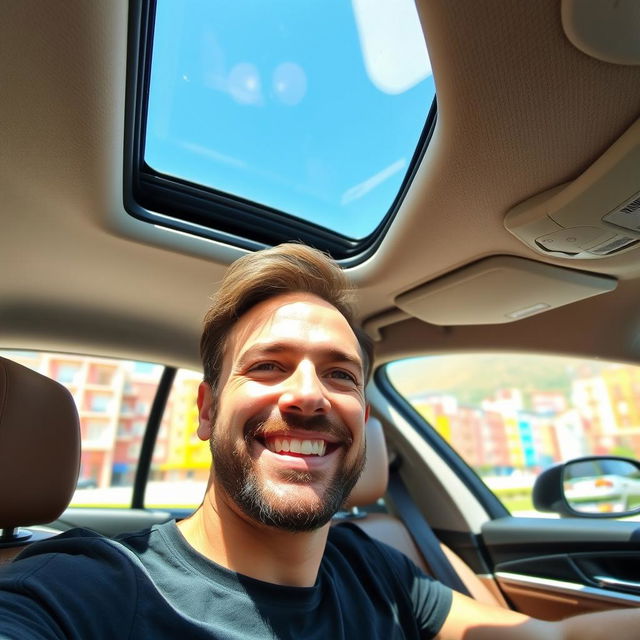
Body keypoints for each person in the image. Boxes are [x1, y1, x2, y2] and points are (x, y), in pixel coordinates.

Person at [0, 243, 637, 639]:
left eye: (340, 375)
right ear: (207, 407)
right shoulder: (87, 590)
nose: (309, 397)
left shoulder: (372, 569)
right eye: (268, 366)